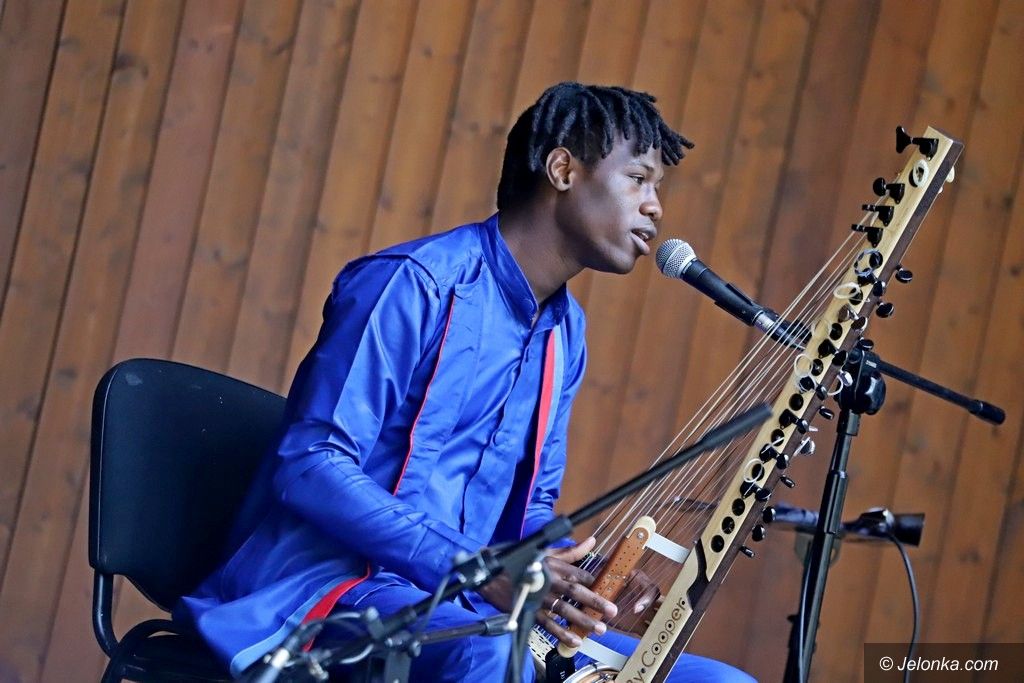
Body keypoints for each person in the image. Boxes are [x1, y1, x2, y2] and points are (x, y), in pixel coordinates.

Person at [176, 82, 755, 682]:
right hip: (325, 591)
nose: (655, 207)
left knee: (721, 682)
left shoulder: (565, 333)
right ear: (562, 170)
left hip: (466, 606)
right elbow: (310, 463)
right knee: (492, 658)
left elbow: (529, 512)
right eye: (638, 179)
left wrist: (581, 578)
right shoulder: (413, 284)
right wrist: (470, 567)